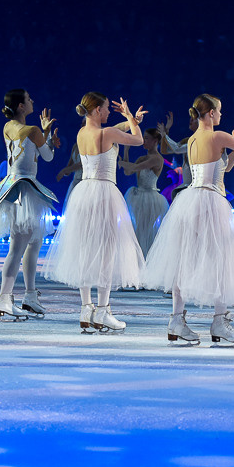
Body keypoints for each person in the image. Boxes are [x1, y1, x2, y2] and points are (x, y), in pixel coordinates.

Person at [143, 94, 234, 346]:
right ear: (209, 114)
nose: (221, 115)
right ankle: (219, 321)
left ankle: (176, 320)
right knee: (220, 260)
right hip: (210, 202)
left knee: (185, 259)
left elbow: (225, 169)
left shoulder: (194, 138)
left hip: (190, 201)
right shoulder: (217, 136)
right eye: (219, 110)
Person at [44, 93, 146, 333]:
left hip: (84, 193)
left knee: (85, 249)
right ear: (98, 110)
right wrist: (130, 117)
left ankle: (85, 307)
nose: (109, 112)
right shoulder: (106, 133)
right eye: (106, 109)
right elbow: (138, 140)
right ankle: (103, 310)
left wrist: (132, 120)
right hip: (104, 193)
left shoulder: (82, 133)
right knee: (107, 251)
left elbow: (114, 129)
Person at [0, 89, 59, 320]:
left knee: (32, 243)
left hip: (13, 186)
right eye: (28, 99)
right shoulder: (32, 130)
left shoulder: (8, 126)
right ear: (21, 106)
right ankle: (4, 298)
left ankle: (29, 295)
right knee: (18, 248)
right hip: (25, 189)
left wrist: (43, 134)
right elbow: (48, 157)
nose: (32, 100)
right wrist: (47, 137)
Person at [119, 128, 169, 255]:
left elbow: (134, 167)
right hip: (137, 195)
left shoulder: (157, 159)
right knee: (136, 230)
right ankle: (136, 260)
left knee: (146, 231)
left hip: (150, 199)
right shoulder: (142, 158)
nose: (143, 141)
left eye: (146, 138)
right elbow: (128, 172)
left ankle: (146, 259)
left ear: (155, 141)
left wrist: (120, 162)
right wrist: (126, 151)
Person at [158, 112, 199, 201]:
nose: (190, 120)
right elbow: (165, 150)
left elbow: (176, 148)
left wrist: (165, 134)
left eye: (194, 119)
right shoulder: (187, 141)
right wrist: (166, 131)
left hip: (199, 189)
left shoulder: (203, 142)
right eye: (190, 118)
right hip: (187, 188)